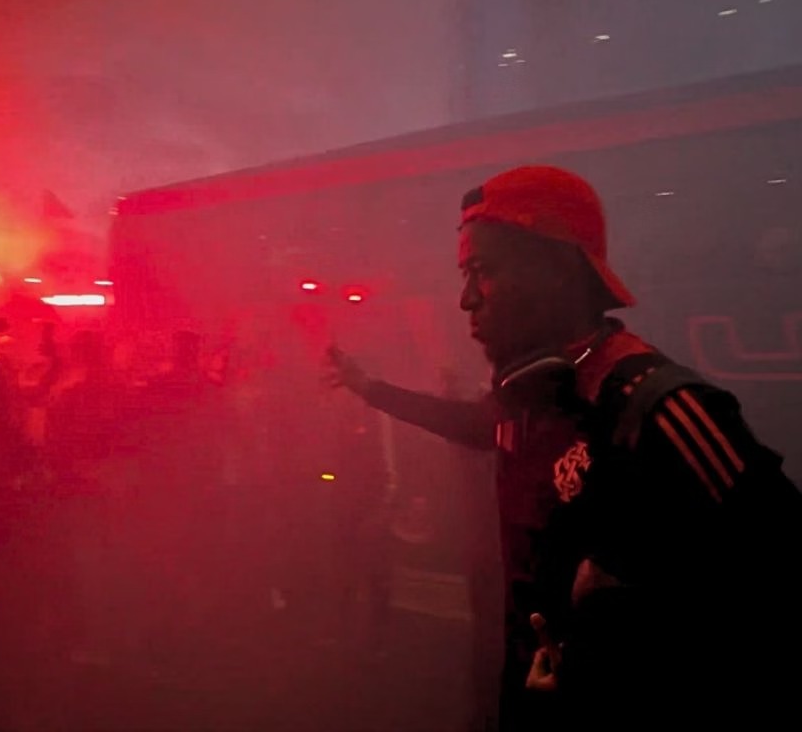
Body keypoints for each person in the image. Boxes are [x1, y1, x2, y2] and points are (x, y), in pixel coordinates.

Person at [325, 165, 802, 731]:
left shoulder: (660, 412)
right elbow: (467, 422)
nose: (465, 300)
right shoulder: (530, 404)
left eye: (482, 272)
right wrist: (369, 389)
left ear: (555, 268)